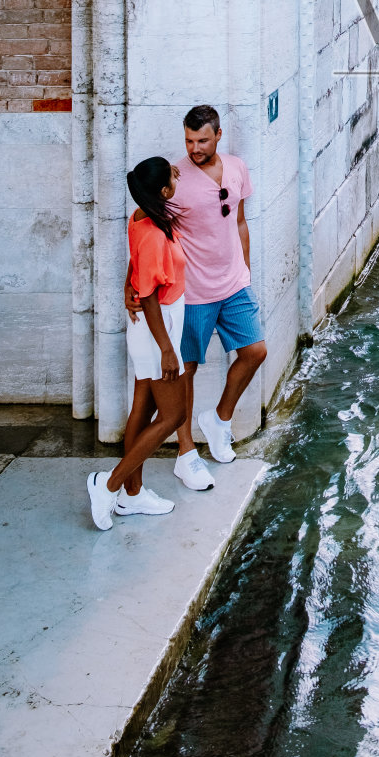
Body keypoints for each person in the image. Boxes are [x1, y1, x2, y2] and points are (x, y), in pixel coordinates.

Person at [130, 104, 266, 489]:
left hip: (234, 284)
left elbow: (239, 221)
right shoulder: (175, 178)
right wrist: (131, 282)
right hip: (193, 293)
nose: (195, 148)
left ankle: (219, 420)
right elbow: (145, 225)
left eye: (202, 140)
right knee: (185, 371)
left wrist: (246, 271)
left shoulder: (237, 168)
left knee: (255, 351)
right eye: (189, 141)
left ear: (218, 135)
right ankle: (185, 453)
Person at [87, 158, 187, 530]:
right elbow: (148, 297)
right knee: (174, 415)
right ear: (163, 191)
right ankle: (109, 484)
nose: (177, 174)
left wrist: (128, 284)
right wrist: (166, 349)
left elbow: (135, 265)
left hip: (151, 326)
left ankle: (132, 495)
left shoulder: (140, 217)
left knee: (142, 407)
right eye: (172, 175)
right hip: (155, 329)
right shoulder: (157, 235)